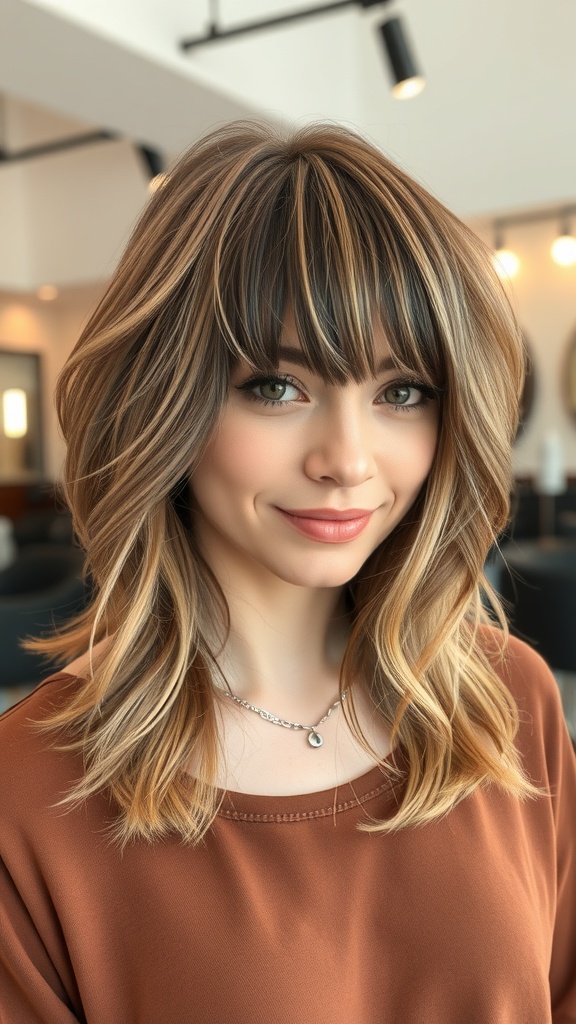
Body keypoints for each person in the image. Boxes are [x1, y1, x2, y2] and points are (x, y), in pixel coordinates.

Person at [0, 121, 574, 1024]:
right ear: (167, 402)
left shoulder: (509, 701)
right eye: (276, 386)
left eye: (401, 392)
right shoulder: (30, 789)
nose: (347, 459)